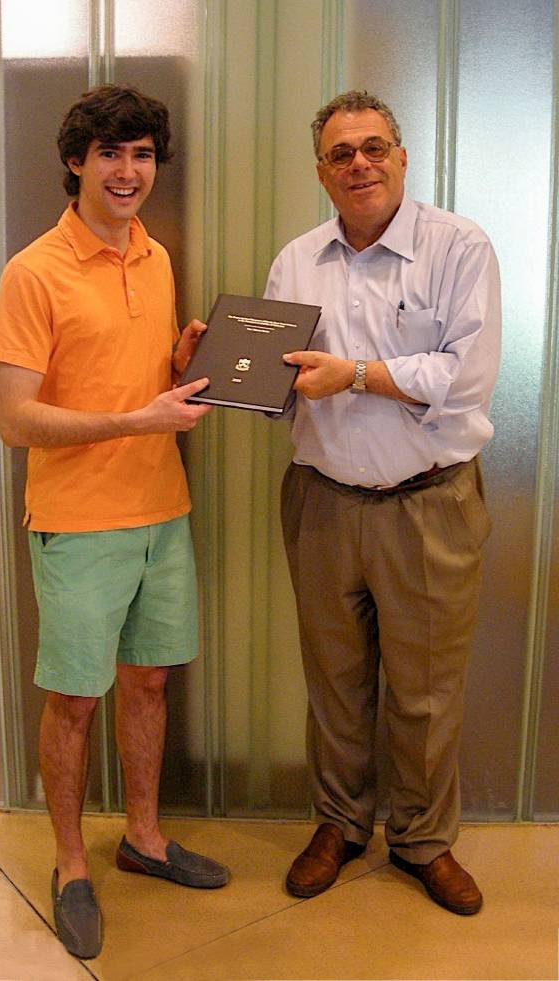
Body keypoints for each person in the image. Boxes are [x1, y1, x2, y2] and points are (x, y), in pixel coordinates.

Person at [0, 84, 230, 961]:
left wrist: (177, 362)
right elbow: (15, 418)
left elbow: (128, 376)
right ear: (75, 161)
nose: (128, 172)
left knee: (149, 683)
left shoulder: (155, 256)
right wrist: (138, 418)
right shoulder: (34, 271)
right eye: (110, 154)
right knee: (73, 700)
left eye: (142, 155)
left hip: (162, 507)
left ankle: (144, 838)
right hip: (78, 521)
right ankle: (69, 864)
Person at [265, 90, 500, 915]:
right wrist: (224, 366)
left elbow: (465, 377)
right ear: (321, 171)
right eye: (341, 153)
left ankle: (423, 839)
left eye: (373, 148)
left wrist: (357, 375)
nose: (358, 163)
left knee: (426, 691)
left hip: (429, 503)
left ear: (402, 157)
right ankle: (340, 823)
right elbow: (282, 385)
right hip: (323, 502)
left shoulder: (459, 247)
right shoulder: (295, 261)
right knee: (334, 682)